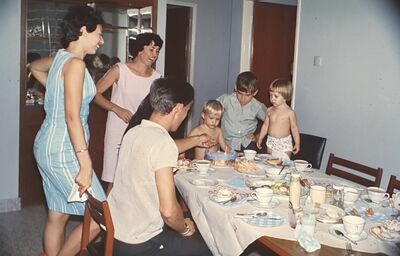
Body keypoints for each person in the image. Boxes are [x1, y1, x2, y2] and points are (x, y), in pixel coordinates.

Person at [28, 6, 106, 256]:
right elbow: (72, 117)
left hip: (46, 145)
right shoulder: (75, 65)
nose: (101, 40)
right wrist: (86, 164)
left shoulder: (61, 57)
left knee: (58, 214)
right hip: (64, 150)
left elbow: (34, 66)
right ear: (84, 30)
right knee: (100, 217)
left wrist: (55, 90)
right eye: (99, 34)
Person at [108, 78, 212, 255]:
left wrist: (195, 140)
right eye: (187, 111)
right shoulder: (162, 143)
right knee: (209, 248)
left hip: (117, 233)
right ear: (178, 109)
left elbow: (160, 150)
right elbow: (169, 212)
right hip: (141, 244)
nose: (185, 116)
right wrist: (184, 229)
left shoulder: (134, 132)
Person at [94, 32, 163, 191]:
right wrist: (116, 108)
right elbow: (95, 94)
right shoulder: (120, 70)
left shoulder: (157, 78)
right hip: (118, 130)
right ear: (139, 50)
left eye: (157, 51)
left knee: (135, 179)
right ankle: (107, 215)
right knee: (114, 179)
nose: (154, 55)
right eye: (151, 49)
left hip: (141, 133)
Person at [216, 71, 267, 151]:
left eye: (247, 95)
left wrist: (258, 135)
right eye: (240, 93)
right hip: (226, 143)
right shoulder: (225, 100)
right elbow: (208, 111)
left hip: (247, 144)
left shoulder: (258, 106)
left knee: (247, 163)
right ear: (236, 88)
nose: (243, 98)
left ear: (255, 92)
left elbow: (271, 121)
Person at [256, 79, 300, 159]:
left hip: (284, 143)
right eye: (270, 95)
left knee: (283, 163)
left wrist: (297, 143)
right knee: (271, 162)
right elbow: (265, 126)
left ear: (285, 96)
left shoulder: (289, 112)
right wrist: (260, 138)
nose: (272, 99)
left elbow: (294, 128)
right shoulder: (269, 110)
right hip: (271, 141)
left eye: (276, 96)